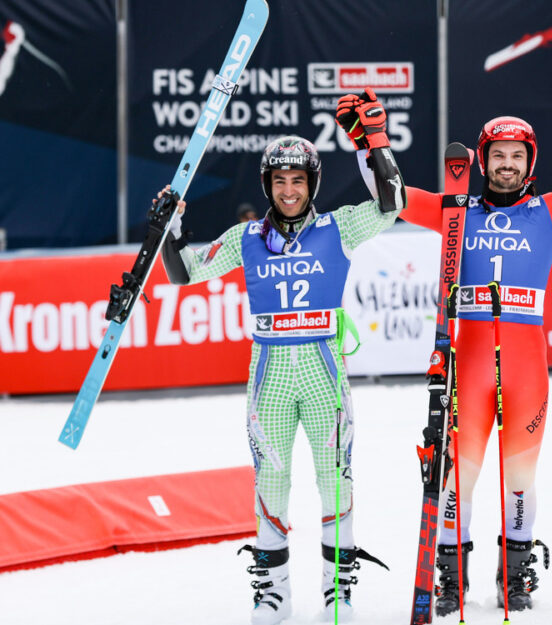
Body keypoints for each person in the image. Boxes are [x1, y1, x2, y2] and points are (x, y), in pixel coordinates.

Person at [337, 72, 552, 615]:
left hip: (526, 370)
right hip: (465, 365)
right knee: (454, 482)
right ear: (483, 160)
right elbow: (389, 199)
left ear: (529, 163)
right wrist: (366, 144)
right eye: (499, 156)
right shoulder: (455, 211)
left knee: (519, 481)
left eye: (518, 156)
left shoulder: (551, 212)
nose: (508, 165)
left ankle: (514, 577)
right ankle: (450, 578)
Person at [157, 92, 404, 625]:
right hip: (268, 375)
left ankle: (338, 590)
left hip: (323, 373)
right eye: (279, 182)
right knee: (270, 482)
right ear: (267, 186)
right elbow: (183, 272)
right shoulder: (247, 237)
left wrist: (373, 142)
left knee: (335, 479)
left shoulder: (337, 228)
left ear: (312, 184)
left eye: (298, 181)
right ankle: (273, 592)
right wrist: (168, 230)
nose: (289, 191)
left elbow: (392, 203)